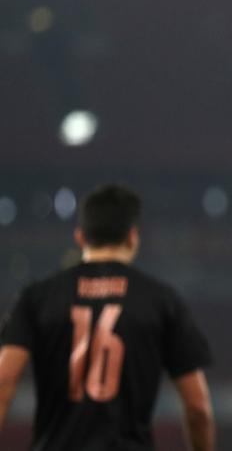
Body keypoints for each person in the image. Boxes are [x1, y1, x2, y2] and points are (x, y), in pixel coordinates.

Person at [0, 184, 214, 451]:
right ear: (132, 236)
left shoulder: (37, 297)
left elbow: (4, 382)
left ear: (81, 238)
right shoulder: (161, 300)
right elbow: (197, 407)